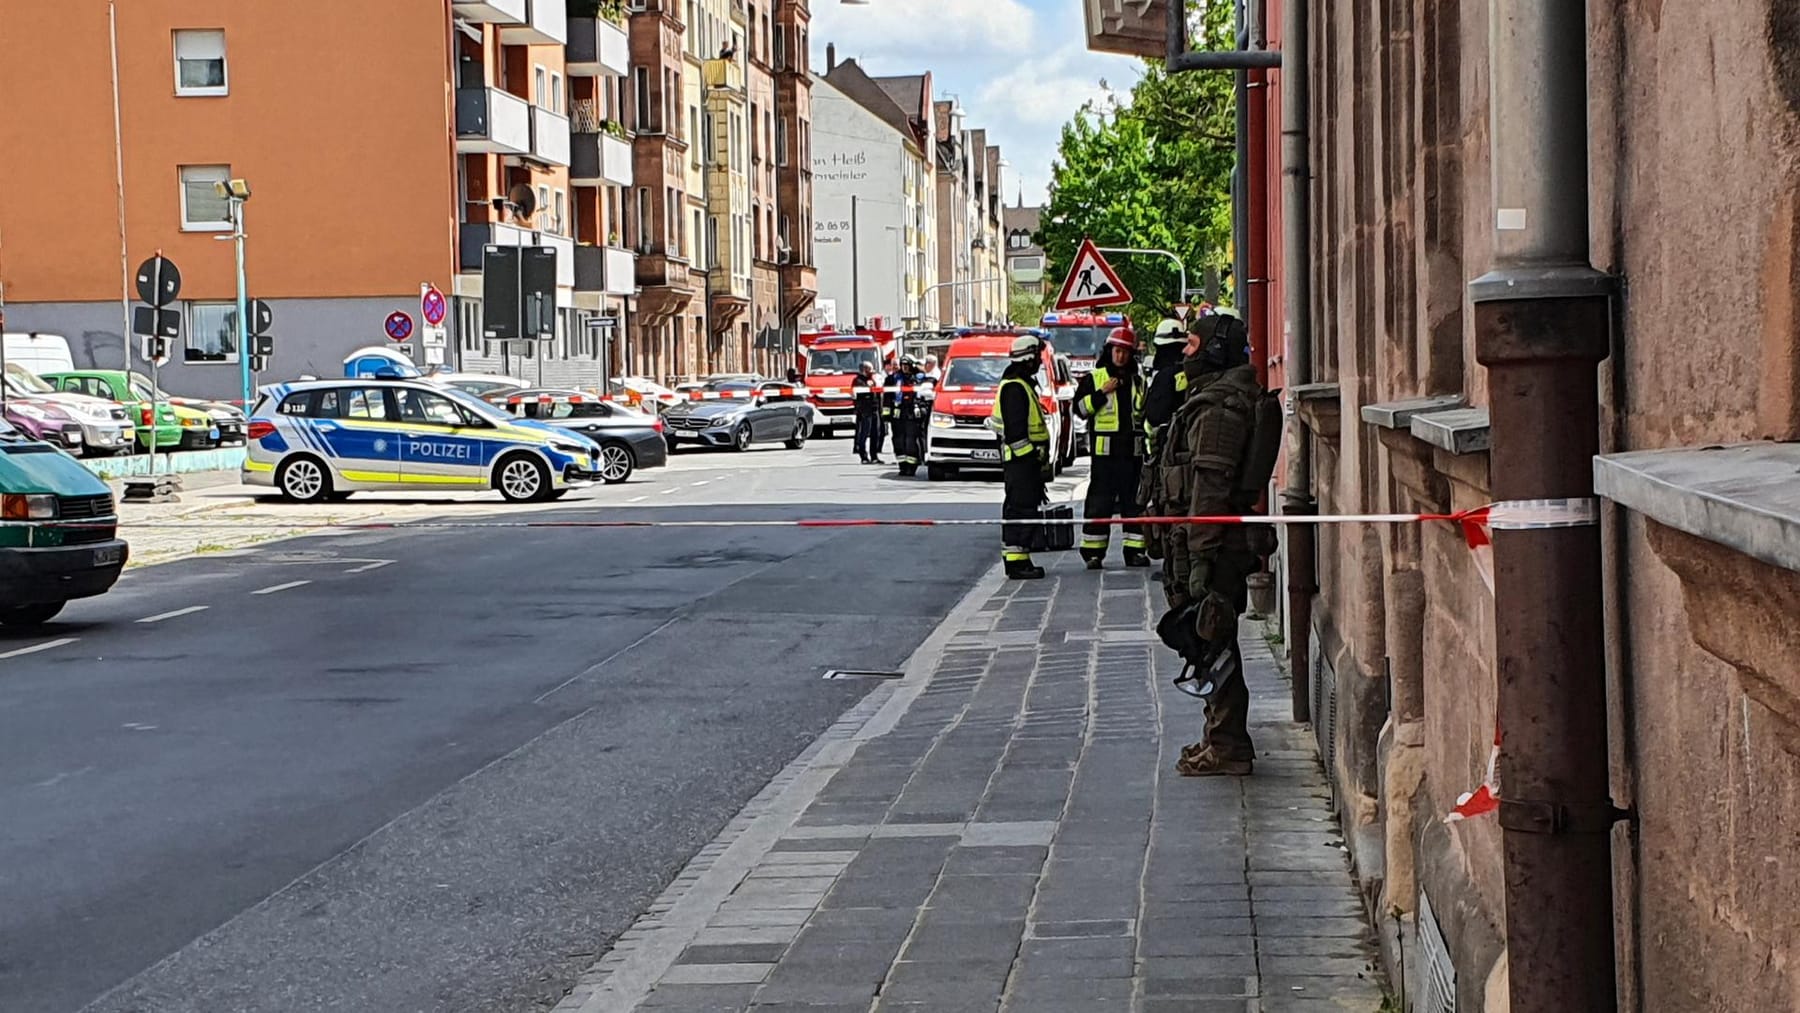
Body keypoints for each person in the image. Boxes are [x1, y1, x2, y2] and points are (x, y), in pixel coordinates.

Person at [1161, 310, 1263, 777]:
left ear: (1216, 351)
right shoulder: (1211, 398)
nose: (1185, 354)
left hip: (1212, 546)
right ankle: (1217, 736)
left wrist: (1199, 560)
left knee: (1214, 637)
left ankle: (1228, 744)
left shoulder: (1220, 409)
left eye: (1193, 347)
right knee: (1208, 640)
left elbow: (1211, 489)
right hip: (1200, 541)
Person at [1072, 325, 1148, 569]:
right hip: (1105, 455)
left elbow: (1145, 414)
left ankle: (1135, 551)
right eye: (1117, 351)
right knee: (1099, 503)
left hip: (1132, 454)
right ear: (1109, 351)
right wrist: (1101, 393)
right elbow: (1080, 410)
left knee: (1134, 504)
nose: (1121, 356)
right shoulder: (1094, 379)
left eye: (1125, 352)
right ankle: (1093, 553)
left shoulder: (1138, 381)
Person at [991, 334, 1052, 580]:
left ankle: (1021, 558)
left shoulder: (1020, 384)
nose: (1039, 361)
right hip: (1021, 464)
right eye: (1037, 356)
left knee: (1023, 509)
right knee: (1020, 510)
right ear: (1028, 359)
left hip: (1023, 464)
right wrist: (1032, 460)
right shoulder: (1015, 387)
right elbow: (1016, 435)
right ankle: (1017, 563)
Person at [888, 355, 931, 476]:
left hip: (912, 415)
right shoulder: (893, 379)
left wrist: (921, 409)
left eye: (907, 365)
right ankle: (902, 466)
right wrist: (886, 413)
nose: (904, 368)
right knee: (898, 441)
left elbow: (928, 391)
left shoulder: (919, 378)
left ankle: (912, 466)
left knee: (910, 441)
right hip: (898, 415)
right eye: (903, 365)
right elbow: (887, 397)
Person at [852, 360, 883, 464]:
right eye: (870, 369)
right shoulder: (858, 380)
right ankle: (863, 456)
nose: (872, 371)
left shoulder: (872, 379)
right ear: (864, 369)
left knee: (876, 433)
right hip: (865, 410)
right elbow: (859, 394)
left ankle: (874, 456)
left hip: (875, 409)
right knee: (864, 433)